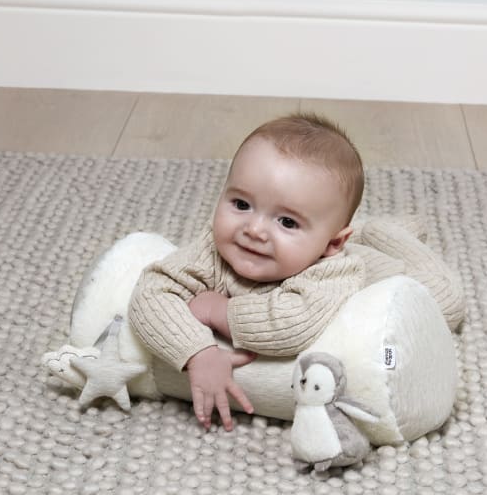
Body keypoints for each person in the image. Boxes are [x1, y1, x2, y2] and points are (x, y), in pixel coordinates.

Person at [128, 113, 465, 431]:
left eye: (287, 222)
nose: (254, 229)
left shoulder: (332, 270)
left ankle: (384, 234)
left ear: (332, 245)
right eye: (241, 204)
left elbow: (291, 325)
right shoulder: (213, 247)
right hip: (330, 238)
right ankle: (359, 231)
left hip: (380, 271)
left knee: (447, 301)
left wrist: (220, 311)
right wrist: (196, 352)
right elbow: (151, 292)